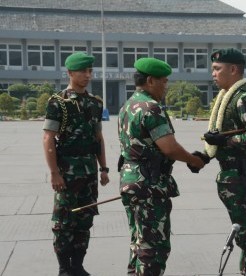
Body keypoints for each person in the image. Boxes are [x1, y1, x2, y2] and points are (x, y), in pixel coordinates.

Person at [118, 57, 206, 275]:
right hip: (149, 185)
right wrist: (195, 160)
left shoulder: (129, 105)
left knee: (139, 243)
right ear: (150, 81)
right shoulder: (151, 108)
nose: (166, 86)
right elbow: (169, 148)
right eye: (164, 82)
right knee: (154, 248)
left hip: (132, 181)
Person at [203, 48, 246, 275]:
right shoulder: (227, 96)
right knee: (245, 235)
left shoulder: (244, 98)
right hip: (233, 178)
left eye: (217, 69)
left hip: (243, 178)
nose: (213, 73)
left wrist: (226, 141)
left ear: (233, 70)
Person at [42, 52, 110, 276]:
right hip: (67, 173)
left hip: (89, 173)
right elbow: (48, 138)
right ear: (70, 73)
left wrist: (104, 169)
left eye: (90, 71)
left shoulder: (94, 103)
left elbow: (98, 138)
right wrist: (54, 173)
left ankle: (78, 265)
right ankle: (64, 268)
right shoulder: (58, 103)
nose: (87, 75)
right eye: (83, 71)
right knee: (63, 222)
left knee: (85, 220)